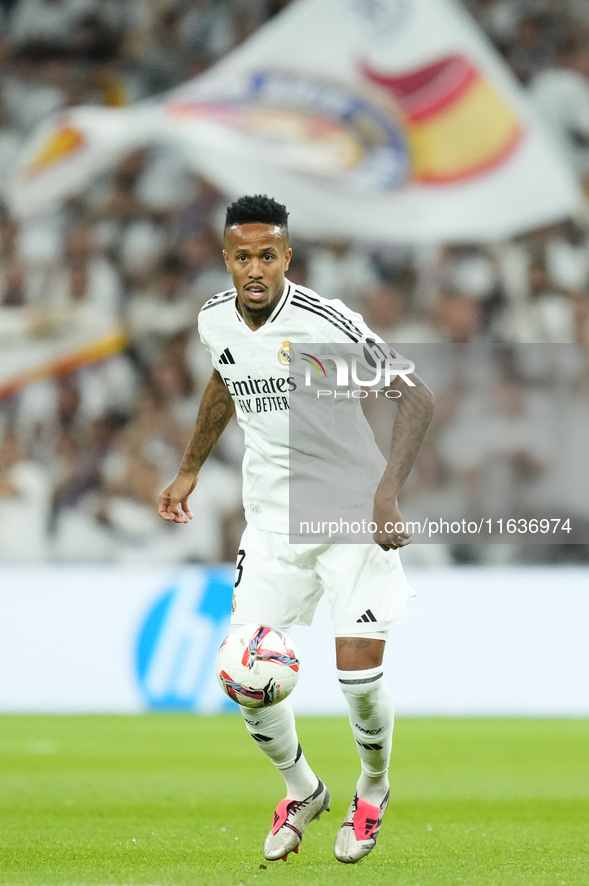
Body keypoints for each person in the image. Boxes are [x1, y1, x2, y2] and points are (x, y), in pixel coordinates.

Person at [158, 195, 434, 864]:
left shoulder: (327, 321)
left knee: (357, 679)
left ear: (287, 257)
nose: (255, 268)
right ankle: (302, 789)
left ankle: (371, 790)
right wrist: (189, 467)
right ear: (227, 260)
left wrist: (387, 493)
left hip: (348, 513)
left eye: (267, 255)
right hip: (273, 524)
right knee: (244, 674)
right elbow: (225, 381)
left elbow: (416, 397)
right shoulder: (213, 320)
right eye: (242, 256)